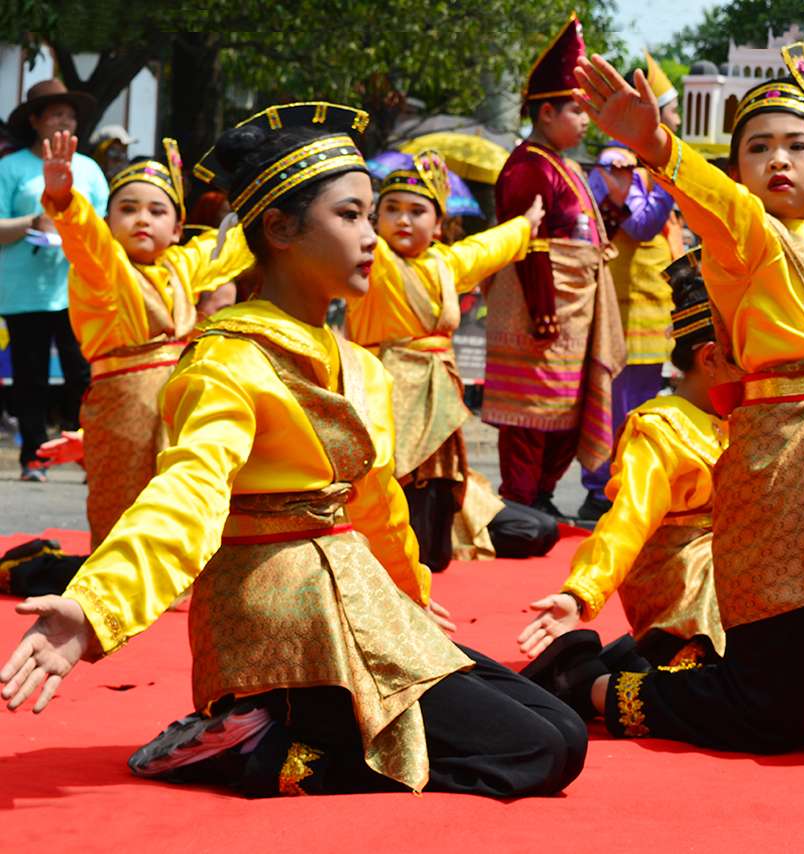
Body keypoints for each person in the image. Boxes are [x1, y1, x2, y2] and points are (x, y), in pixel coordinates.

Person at [0, 102, 586, 799]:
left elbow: (375, 503)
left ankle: (281, 733)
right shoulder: (226, 362)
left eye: (371, 214)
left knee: (563, 729)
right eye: (350, 215)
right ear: (278, 228)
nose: (373, 236)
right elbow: (187, 492)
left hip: (360, 605)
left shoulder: (356, 365)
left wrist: (410, 597)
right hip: (275, 628)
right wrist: (92, 606)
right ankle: (248, 745)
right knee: (538, 752)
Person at [526, 43, 804, 753]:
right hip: (778, 468)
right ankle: (587, 683)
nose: (778, 159)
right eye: (758, 148)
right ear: (738, 171)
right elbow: (718, 203)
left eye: (798, 145)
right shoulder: (747, 243)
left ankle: (627, 667)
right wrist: (657, 147)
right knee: (768, 710)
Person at [519, 249, 728, 670]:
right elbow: (626, 520)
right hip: (687, 582)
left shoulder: (742, 421)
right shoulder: (660, 428)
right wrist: (582, 592)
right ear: (709, 358)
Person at [40, 133, 251, 548]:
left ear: (176, 229)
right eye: (128, 209)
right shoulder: (106, 268)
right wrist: (64, 199)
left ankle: (177, 577)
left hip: (184, 401)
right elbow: (85, 240)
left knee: (184, 495)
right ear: (108, 222)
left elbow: (227, 247)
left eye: (156, 211)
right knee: (121, 499)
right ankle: (113, 591)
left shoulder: (180, 265)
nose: (142, 219)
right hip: (123, 404)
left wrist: (268, 199)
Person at [345, 150, 546, 571]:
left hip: (436, 399)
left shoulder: (443, 265)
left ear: (437, 225)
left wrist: (524, 226)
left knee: (506, 533)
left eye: (417, 211)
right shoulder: (374, 262)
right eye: (391, 209)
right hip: (385, 403)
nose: (403, 219)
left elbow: (483, 249)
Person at [482, 13, 626, 518]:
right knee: (530, 417)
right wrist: (543, 311)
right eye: (576, 110)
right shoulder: (526, 166)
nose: (586, 120)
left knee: (567, 413)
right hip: (540, 315)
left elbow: (584, 234)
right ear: (545, 114)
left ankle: (540, 497)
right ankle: (522, 502)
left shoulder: (561, 163)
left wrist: (618, 206)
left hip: (574, 315)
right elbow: (530, 243)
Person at [0, 79, 106, 482]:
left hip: (77, 288)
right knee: (30, 377)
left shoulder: (90, 170)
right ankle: (33, 455)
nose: (66, 121)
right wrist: (32, 221)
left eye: (71, 115)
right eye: (57, 114)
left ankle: (88, 451)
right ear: (36, 121)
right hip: (24, 290)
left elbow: (103, 229)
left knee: (82, 375)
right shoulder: (10, 169)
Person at [579, 134, 683, 520]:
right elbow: (642, 225)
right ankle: (604, 486)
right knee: (612, 401)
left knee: (638, 402)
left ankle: (628, 483)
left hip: (646, 306)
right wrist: (669, 187)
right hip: (617, 304)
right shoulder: (614, 161)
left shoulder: (639, 170)